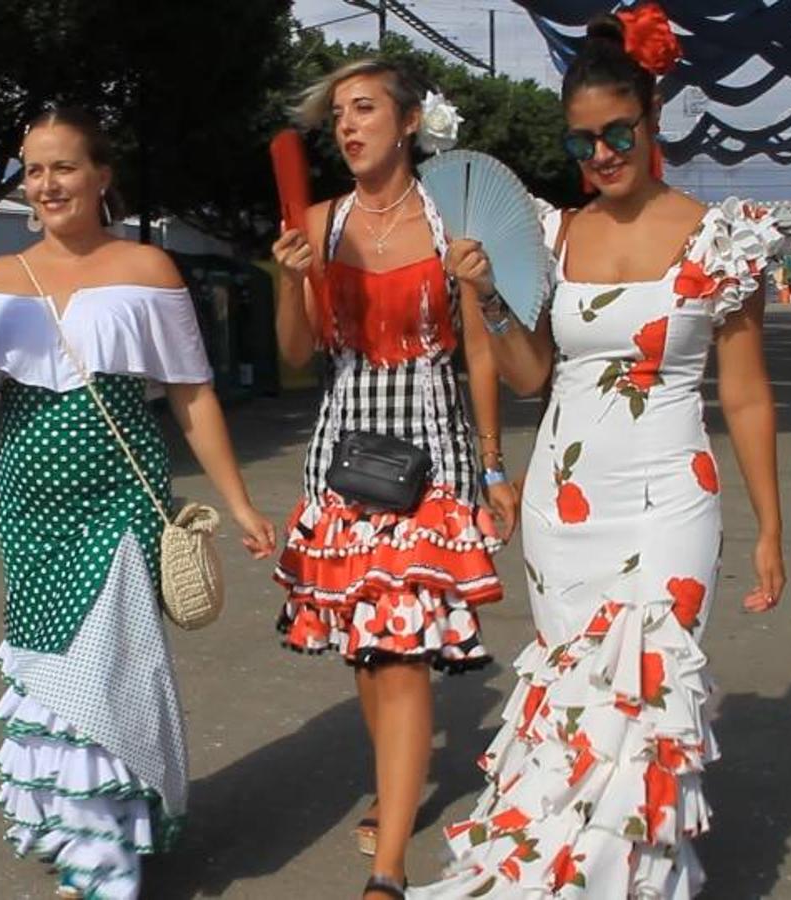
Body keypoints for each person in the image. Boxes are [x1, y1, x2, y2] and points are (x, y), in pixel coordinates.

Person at [417, 5, 785, 896]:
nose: (601, 156)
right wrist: (491, 301)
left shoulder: (718, 239)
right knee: (574, 711)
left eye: (617, 133)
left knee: (647, 704)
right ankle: (560, 875)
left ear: (654, 120)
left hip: (672, 499)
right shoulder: (556, 235)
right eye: (582, 143)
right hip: (562, 507)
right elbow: (533, 372)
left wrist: (773, 529)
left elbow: (743, 394)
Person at [0, 107, 276, 899]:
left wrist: (240, 503)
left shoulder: (148, 268)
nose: (47, 185)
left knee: (111, 670)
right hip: (28, 508)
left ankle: (104, 862)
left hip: (121, 502)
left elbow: (192, 394)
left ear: (101, 176)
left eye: (64, 167)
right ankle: (76, 827)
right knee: (51, 674)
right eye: (33, 170)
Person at [270, 59, 517, 900]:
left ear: (409, 123)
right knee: (368, 655)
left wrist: (492, 467)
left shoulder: (455, 224)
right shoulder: (320, 222)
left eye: (365, 109)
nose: (347, 126)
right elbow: (299, 355)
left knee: (402, 650)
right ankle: (394, 782)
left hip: (432, 456)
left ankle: (388, 874)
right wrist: (288, 274)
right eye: (338, 113)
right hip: (343, 456)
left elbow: (481, 351)